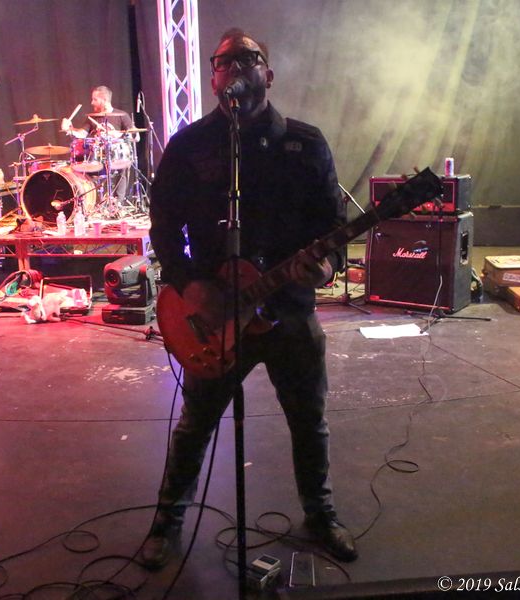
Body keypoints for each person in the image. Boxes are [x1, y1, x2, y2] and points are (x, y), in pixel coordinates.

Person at [141, 28, 357, 569]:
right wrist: (188, 284)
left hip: (288, 311)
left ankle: (321, 515)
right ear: (213, 78)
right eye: (224, 61)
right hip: (214, 314)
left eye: (248, 57)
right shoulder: (188, 146)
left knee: (309, 420)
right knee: (195, 424)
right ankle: (166, 523)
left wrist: (326, 264)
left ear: (269, 74)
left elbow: (333, 226)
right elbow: (163, 226)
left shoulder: (306, 144)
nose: (235, 66)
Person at [61, 86, 136, 209]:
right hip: (97, 157)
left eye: (95, 99)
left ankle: (117, 204)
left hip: (115, 156)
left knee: (123, 165)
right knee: (79, 169)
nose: (92, 102)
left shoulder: (121, 115)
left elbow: (136, 136)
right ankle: (86, 204)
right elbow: (82, 134)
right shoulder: (93, 117)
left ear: (104, 100)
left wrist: (116, 134)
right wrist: (69, 129)